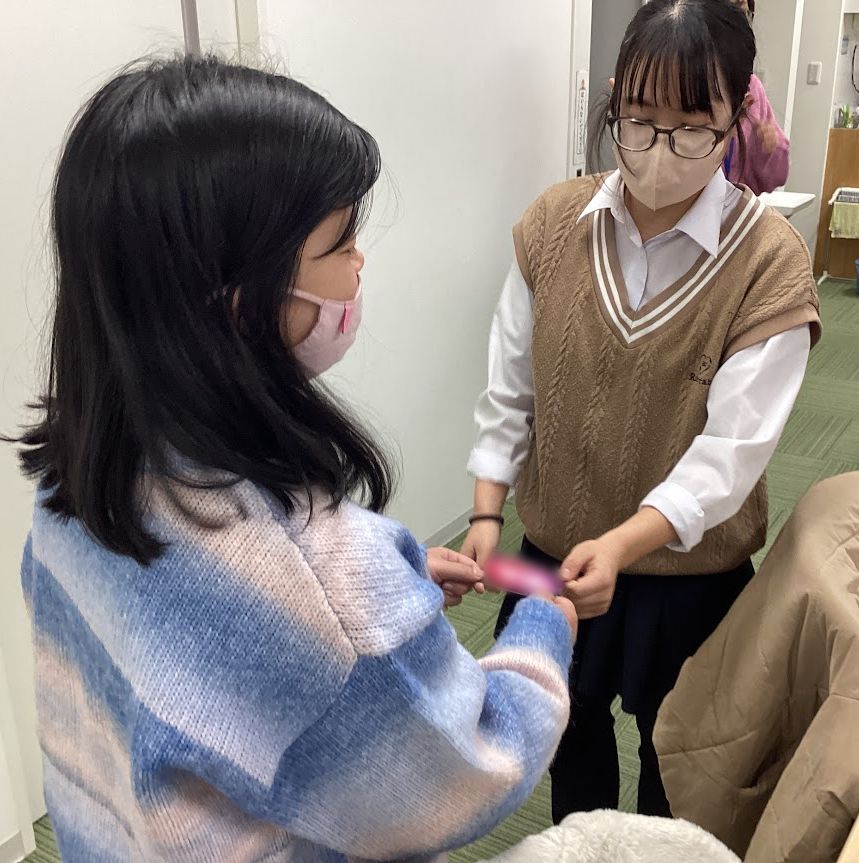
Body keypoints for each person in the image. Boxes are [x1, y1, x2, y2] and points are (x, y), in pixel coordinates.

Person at [10, 56, 577, 863]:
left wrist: (385, 606)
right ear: (241, 300)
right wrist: (547, 619)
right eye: (340, 242)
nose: (359, 263)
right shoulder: (320, 580)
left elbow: (211, 663)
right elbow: (468, 772)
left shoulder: (74, 479)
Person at [461, 0, 820, 824]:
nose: (660, 148)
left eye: (691, 126)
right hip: (556, 555)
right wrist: (485, 511)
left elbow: (729, 455)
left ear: (736, 113)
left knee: (679, 759)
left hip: (688, 578)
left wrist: (624, 544)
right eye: (639, 119)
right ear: (614, 100)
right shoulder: (553, 224)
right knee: (566, 733)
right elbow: (509, 387)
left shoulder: (768, 263)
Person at [723, 0, 791, 193]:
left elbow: (777, 176)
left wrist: (769, 149)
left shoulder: (752, 88)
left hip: (735, 206)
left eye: (745, 13)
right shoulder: (680, 82)